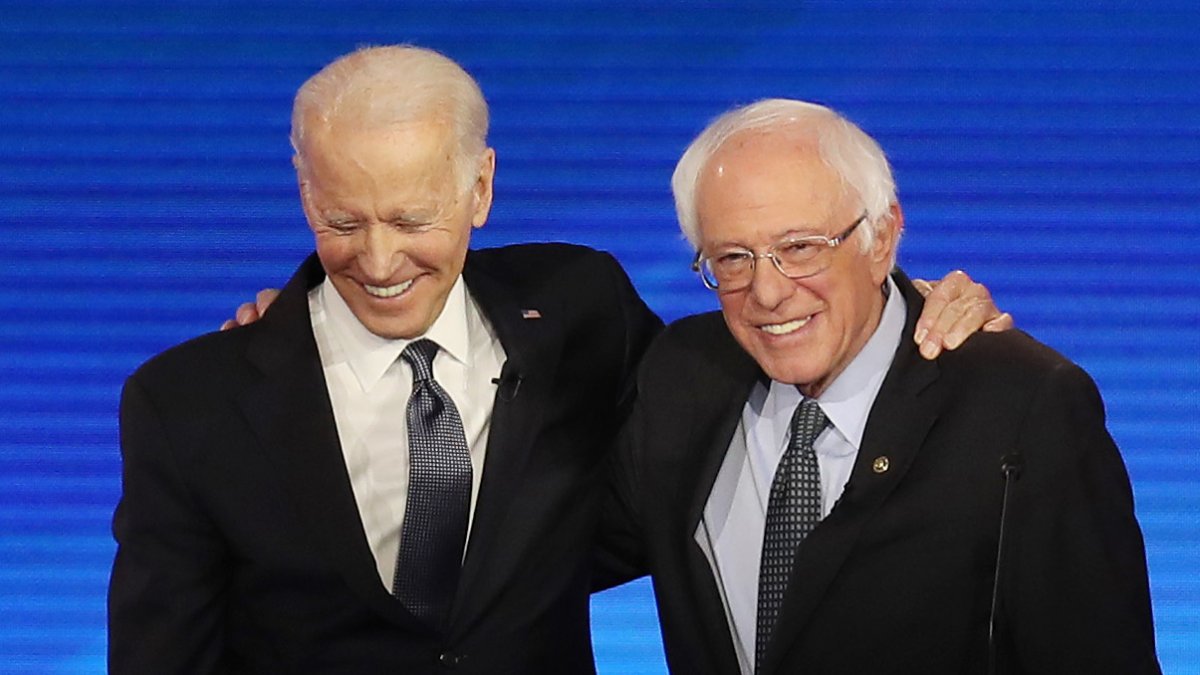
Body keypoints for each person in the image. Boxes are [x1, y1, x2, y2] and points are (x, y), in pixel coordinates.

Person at [110, 46, 1008, 673]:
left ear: (481, 188)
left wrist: (892, 293)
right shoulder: (191, 404)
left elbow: (750, 388)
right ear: (305, 190)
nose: (378, 262)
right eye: (343, 221)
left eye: (413, 220)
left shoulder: (580, 308)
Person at [600, 99, 1160, 674]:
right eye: (734, 258)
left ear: (882, 239)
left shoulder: (1022, 407)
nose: (766, 292)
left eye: (799, 248)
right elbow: (533, 545)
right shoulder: (683, 377)